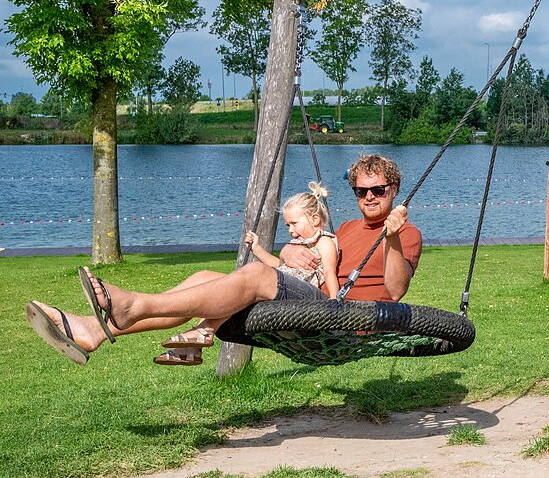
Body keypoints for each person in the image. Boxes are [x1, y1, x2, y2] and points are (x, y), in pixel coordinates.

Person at [25, 154, 422, 366]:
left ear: (394, 189)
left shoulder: (407, 233)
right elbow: (316, 252)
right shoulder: (347, 227)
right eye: (361, 191)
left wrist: (390, 237)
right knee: (203, 277)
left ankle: (135, 305)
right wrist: (288, 251)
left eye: (378, 190)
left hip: (346, 322)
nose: (369, 197)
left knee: (255, 275)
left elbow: (395, 290)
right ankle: (92, 331)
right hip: (314, 302)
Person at [153, 182, 342, 366]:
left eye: (294, 224)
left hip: (292, 297)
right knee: (223, 293)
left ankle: (203, 332)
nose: (291, 231)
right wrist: (257, 248)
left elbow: (329, 272)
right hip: (276, 287)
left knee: (235, 295)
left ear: (314, 219)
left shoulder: (324, 242)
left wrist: (334, 302)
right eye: (287, 226)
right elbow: (279, 266)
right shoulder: (300, 244)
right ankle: (193, 347)